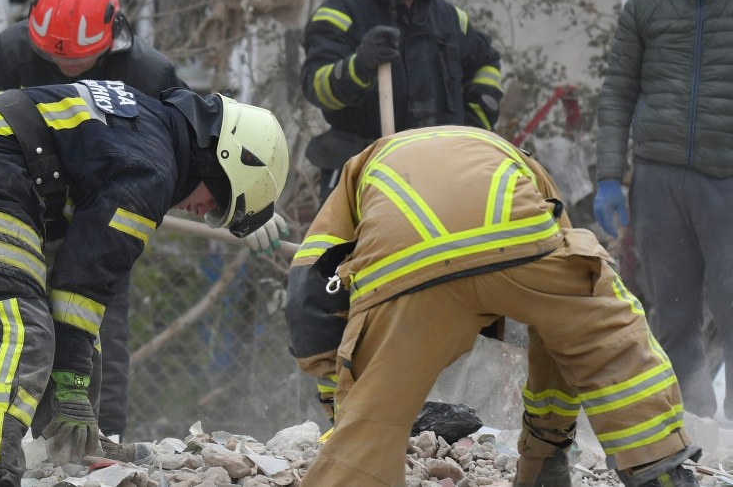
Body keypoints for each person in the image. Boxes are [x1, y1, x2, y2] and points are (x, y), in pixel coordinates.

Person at [0, 0, 290, 438]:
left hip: (104, 214)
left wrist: (246, 202)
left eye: (78, 61)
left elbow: (198, 149)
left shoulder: (149, 72)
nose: (66, 69)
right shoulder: (11, 52)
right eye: (54, 61)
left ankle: (95, 440)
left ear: (111, 39)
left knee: (99, 325)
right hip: (21, 205)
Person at [0, 80, 289, 487]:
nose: (205, 212)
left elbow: (79, 296)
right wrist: (71, 381)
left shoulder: (151, 130)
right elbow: (85, 279)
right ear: (221, 159)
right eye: (220, 200)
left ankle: (71, 445)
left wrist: (76, 381)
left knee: (77, 321)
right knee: (21, 330)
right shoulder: (152, 173)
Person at [286, 125, 699, 487]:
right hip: (517, 244)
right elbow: (566, 332)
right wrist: (543, 455)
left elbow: (312, 296)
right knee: (597, 331)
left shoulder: (356, 173)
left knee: (371, 420)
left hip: (407, 268)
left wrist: (343, 408)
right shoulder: (518, 164)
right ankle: (657, 466)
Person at [595, 0, 733, 422]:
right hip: (658, 182)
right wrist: (610, 176)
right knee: (672, 314)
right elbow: (616, 94)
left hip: (727, 180)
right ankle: (693, 424)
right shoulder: (644, 9)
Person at [300, 0, 503, 201]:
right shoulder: (342, 13)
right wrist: (361, 65)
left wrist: (471, 129)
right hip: (364, 175)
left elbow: (487, 63)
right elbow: (316, 86)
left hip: (442, 176)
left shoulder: (450, 19)